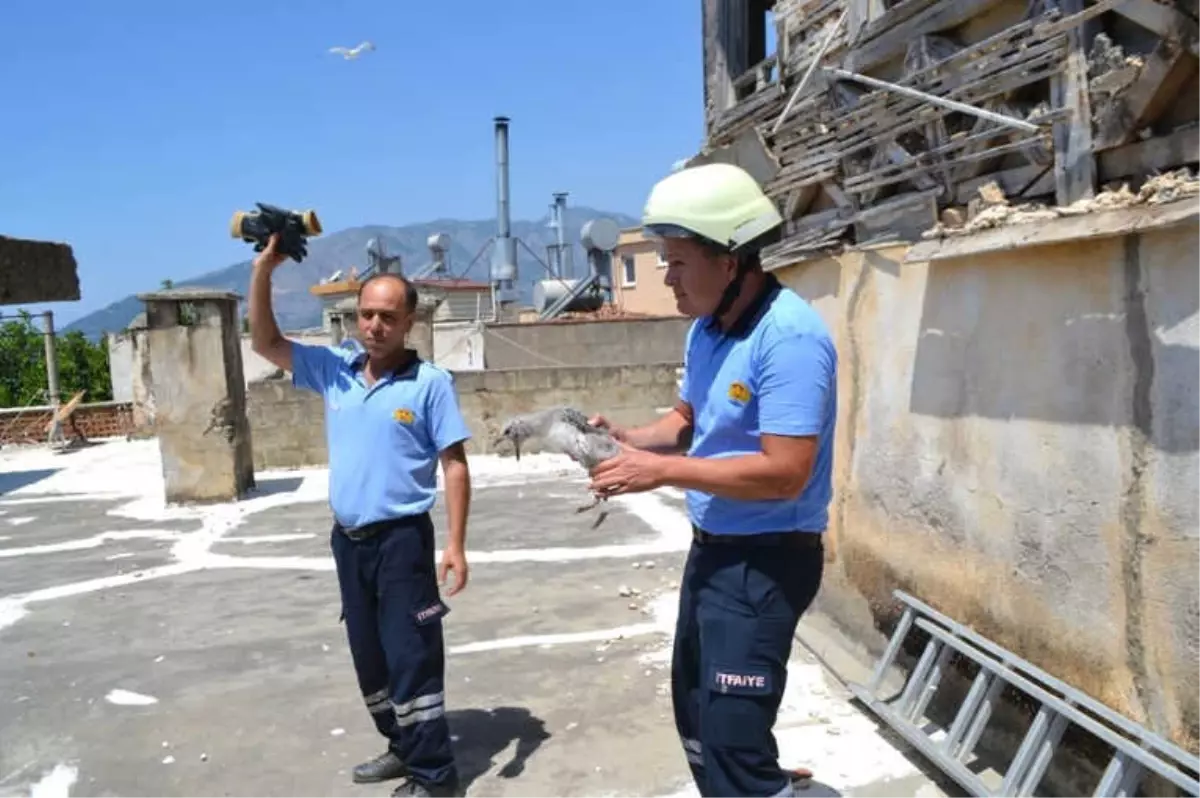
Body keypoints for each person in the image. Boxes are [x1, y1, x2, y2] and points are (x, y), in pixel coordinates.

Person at [588, 163, 837, 798]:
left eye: (675, 262)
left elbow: (786, 472)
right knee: (699, 719)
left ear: (730, 262)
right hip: (714, 552)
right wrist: (623, 441)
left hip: (767, 560)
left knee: (735, 742)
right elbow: (687, 422)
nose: (666, 277)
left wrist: (662, 472)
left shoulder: (791, 339)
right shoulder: (707, 329)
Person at [248, 233, 471, 798]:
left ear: (410, 321)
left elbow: (456, 466)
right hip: (348, 543)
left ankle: (434, 776)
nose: (373, 326)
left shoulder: (430, 386)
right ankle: (401, 746)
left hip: (402, 543)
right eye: (365, 314)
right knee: (369, 657)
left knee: (411, 656)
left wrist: (456, 545)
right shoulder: (334, 370)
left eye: (387, 317)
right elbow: (265, 341)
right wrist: (263, 271)